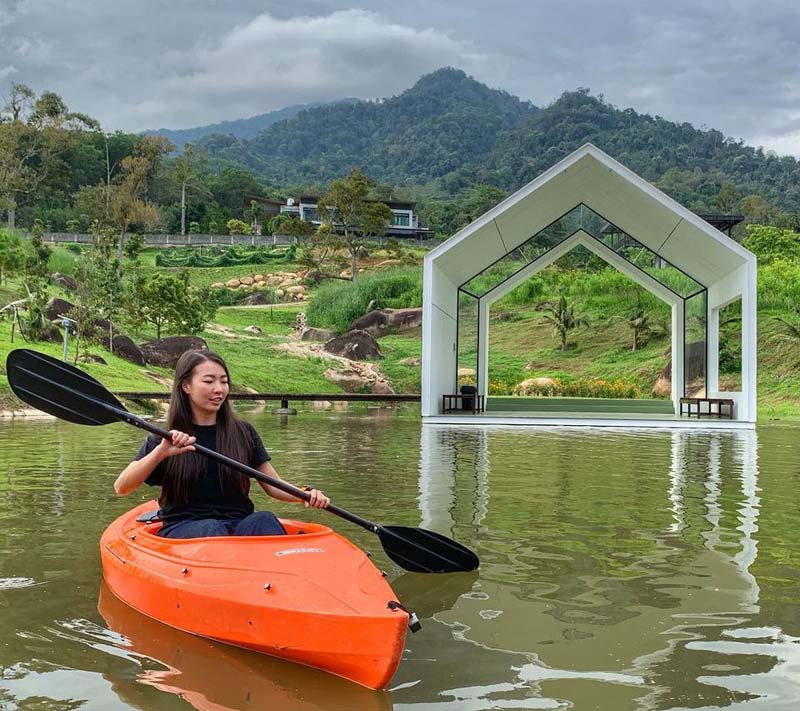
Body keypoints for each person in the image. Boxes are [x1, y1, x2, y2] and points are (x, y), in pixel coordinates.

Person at [114, 349, 329, 538]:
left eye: (224, 381)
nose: (219, 389)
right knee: (211, 528)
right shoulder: (165, 438)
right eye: (209, 381)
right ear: (186, 385)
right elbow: (122, 487)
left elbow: (274, 485)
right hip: (184, 526)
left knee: (263, 519)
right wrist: (161, 452)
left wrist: (305, 494)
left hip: (238, 523)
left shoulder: (244, 433)